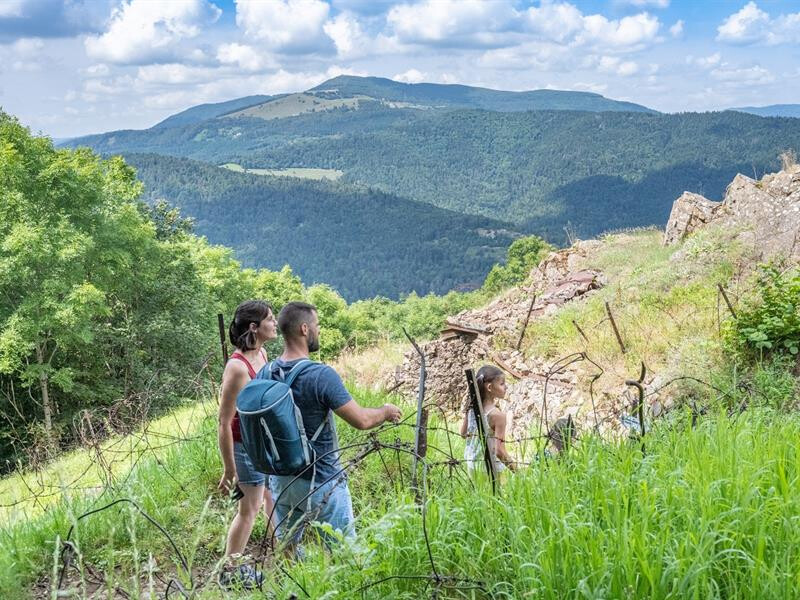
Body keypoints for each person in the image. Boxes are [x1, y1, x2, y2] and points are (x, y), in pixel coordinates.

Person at [268, 301, 402, 550]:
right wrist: (385, 411)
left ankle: (294, 588)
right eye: (317, 325)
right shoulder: (320, 375)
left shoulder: (266, 372)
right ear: (305, 329)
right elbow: (360, 420)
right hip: (321, 479)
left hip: (281, 480)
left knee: (287, 550)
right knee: (345, 555)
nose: (319, 331)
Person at [217, 300, 277, 588]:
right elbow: (224, 421)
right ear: (254, 327)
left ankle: (288, 552)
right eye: (270, 319)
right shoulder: (236, 368)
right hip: (245, 447)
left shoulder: (262, 353)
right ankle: (230, 572)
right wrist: (230, 471)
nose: (275, 323)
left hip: (264, 444)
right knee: (248, 509)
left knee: (270, 498)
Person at [461, 365, 516, 473]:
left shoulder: (471, 407)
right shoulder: (498, 416)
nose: (506, 387)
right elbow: (499, 451)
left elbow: (463, 434)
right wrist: (517, 471)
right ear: (490, 387)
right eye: (502, 383)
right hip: (491, 470)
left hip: (472, 465)